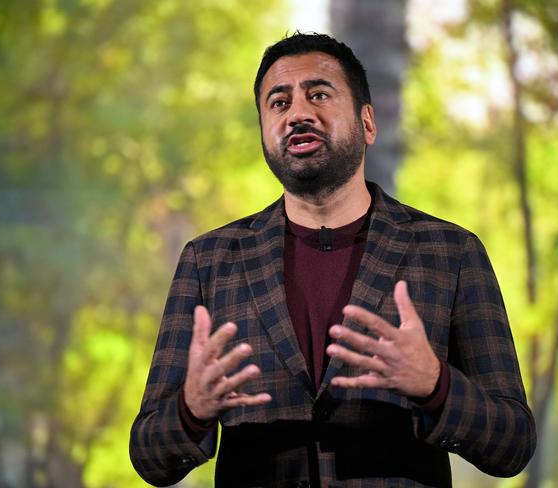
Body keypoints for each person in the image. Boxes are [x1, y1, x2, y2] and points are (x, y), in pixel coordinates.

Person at [129, 33, 536, 487]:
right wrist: (191, 409)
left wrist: (435, 386)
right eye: (278, 103)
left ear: (367, 123)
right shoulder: (209, 260)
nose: (298, 113)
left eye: (319, 94)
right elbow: (149, 456)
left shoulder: (451, 252)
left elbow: (513, 444)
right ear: (263, 130)